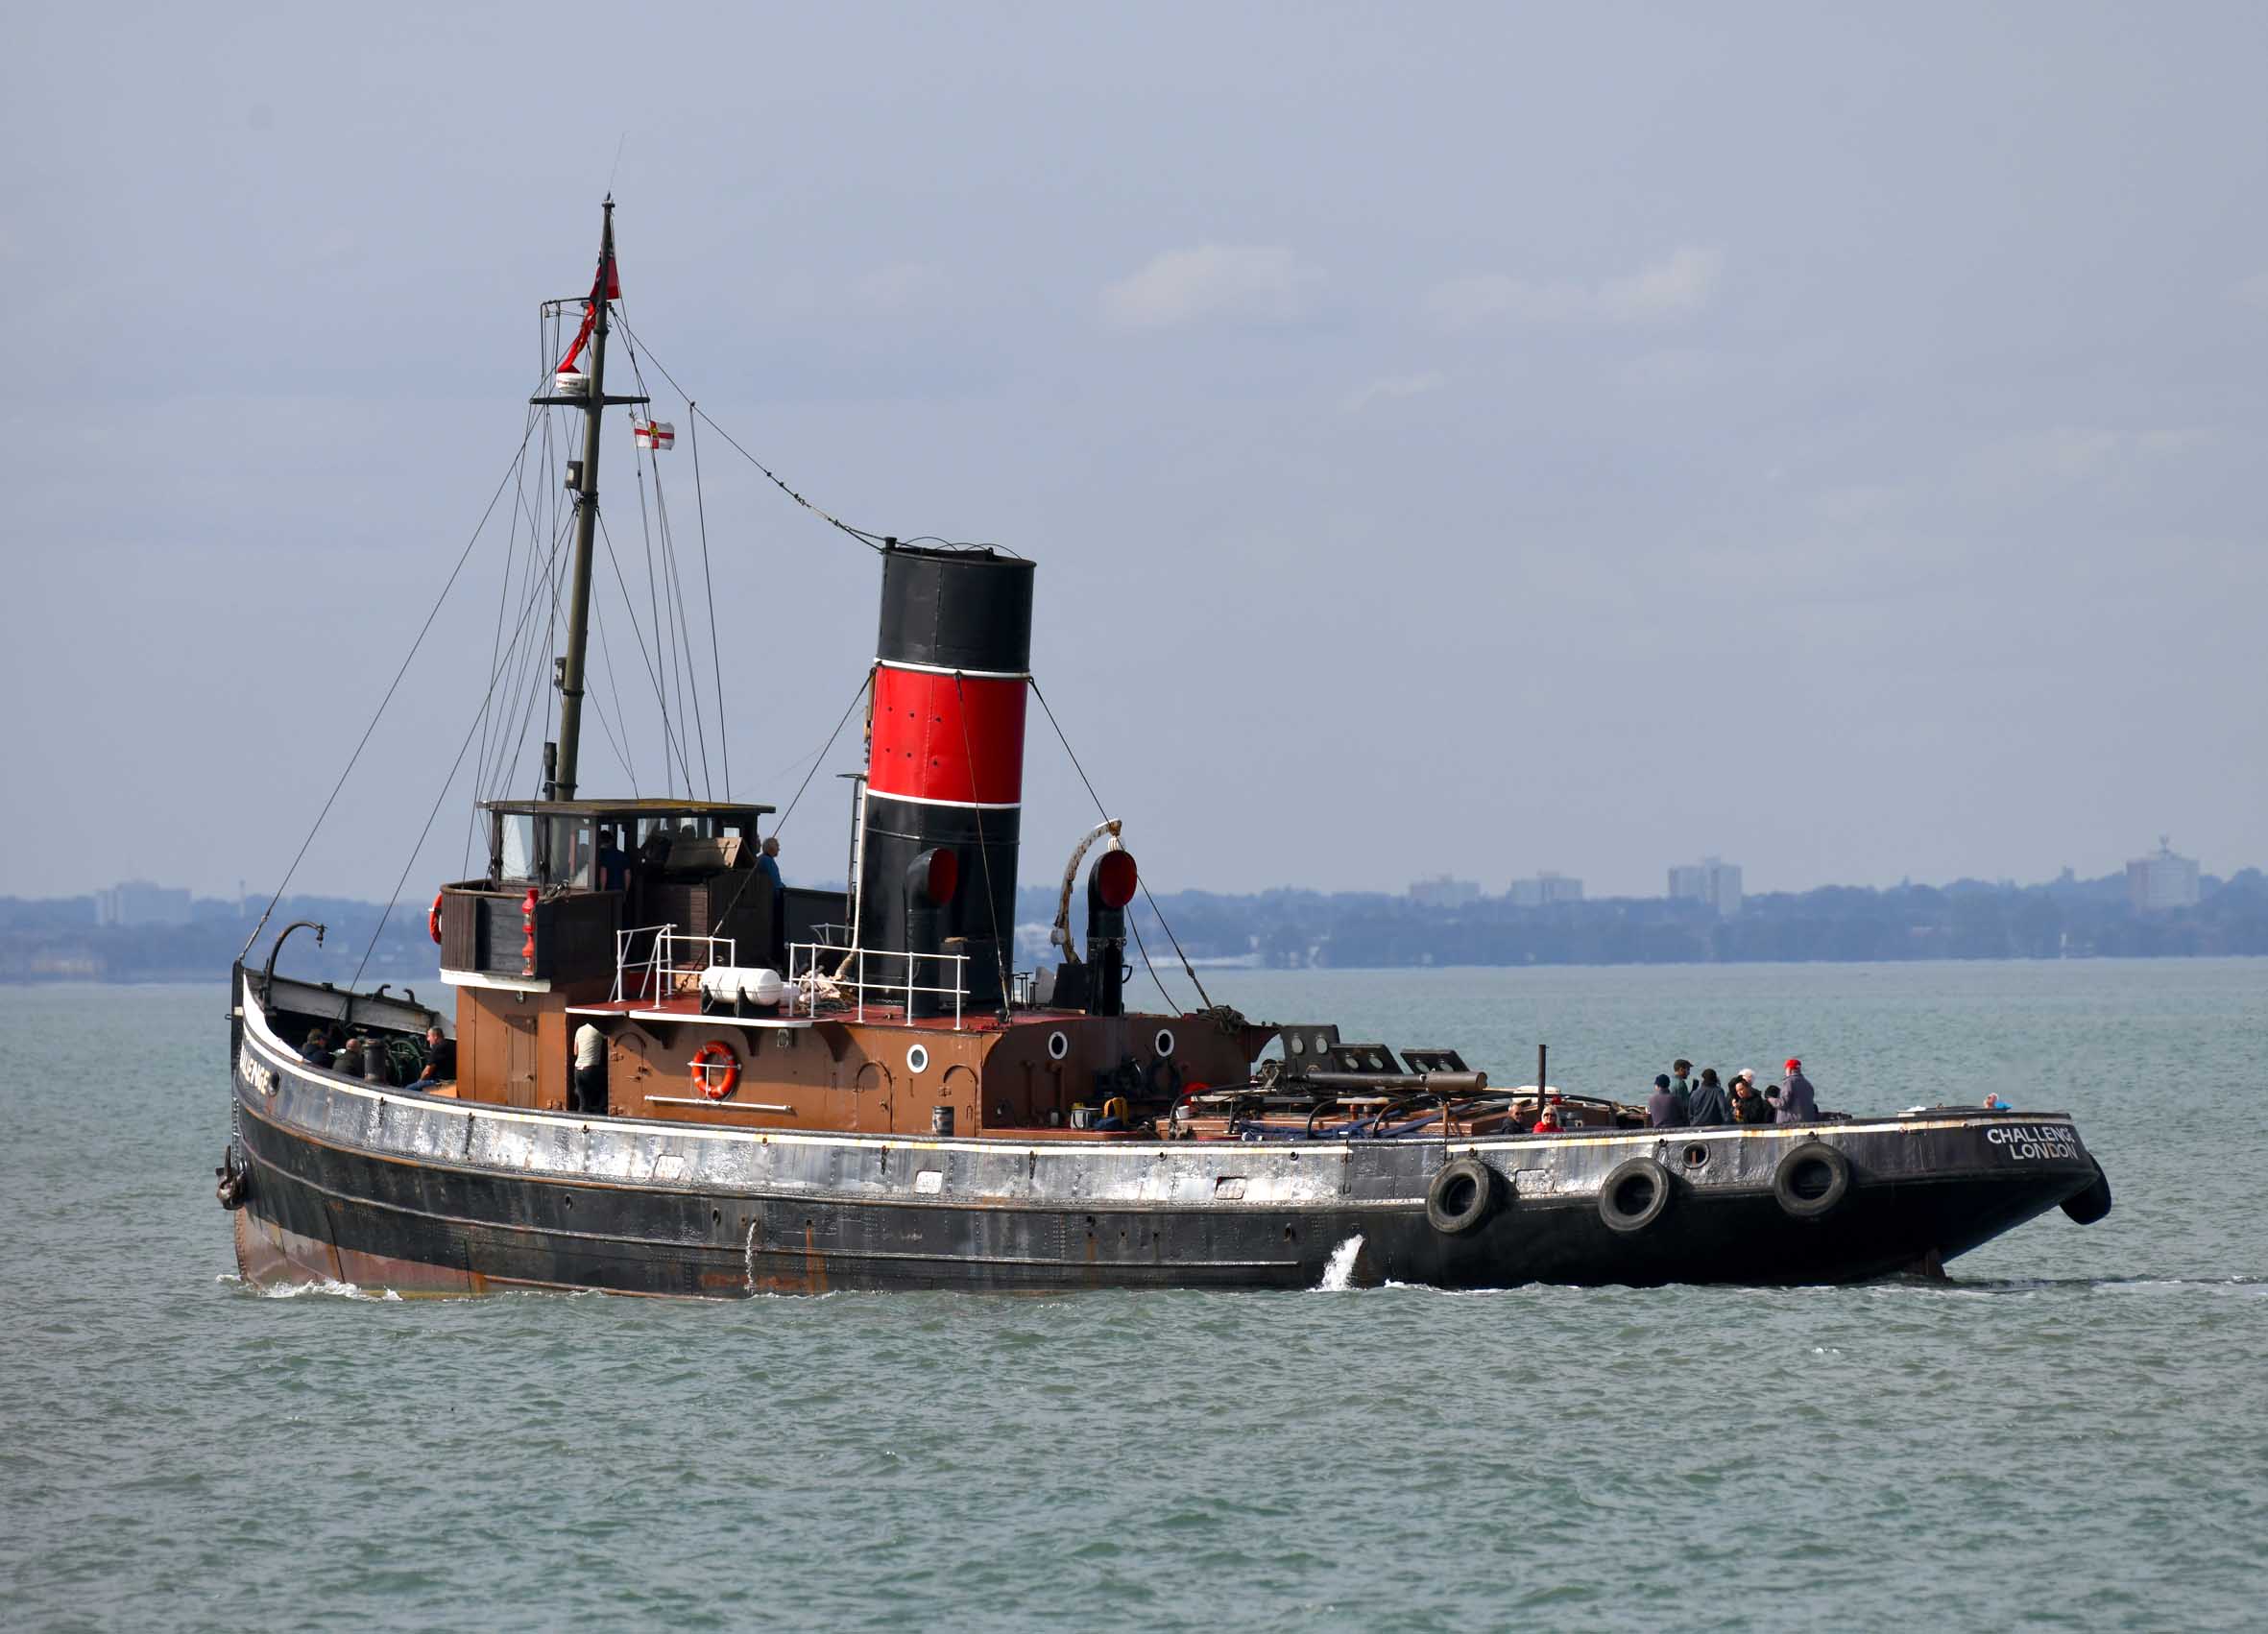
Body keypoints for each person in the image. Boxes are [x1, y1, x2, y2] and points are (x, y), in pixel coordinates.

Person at [1770, 1057, 1820, 1124]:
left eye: (1785, 1069)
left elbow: (1783, 1103)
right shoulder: (1808, 1083)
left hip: (1790, 1123)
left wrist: (1770, 1099)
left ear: (1789, 1069)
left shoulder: (1788, 1082)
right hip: (1808, 1121)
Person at [572, 1021, 606, 1115]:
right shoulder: (598, 1029)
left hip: (577, 1070)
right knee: (606, 1091)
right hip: (590, 1068)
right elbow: (610, 1037)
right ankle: (600, 1112)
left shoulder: (579, 1029)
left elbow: (575, 1052)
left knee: (583, 1103)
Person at [595, 826, 630, 893]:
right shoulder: (622, 855)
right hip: (619, 891)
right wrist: (626, 892)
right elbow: (627, 874)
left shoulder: (601, 855)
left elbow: (603, 872)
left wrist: (602, 891)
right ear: (611, 841)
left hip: (606, 892)